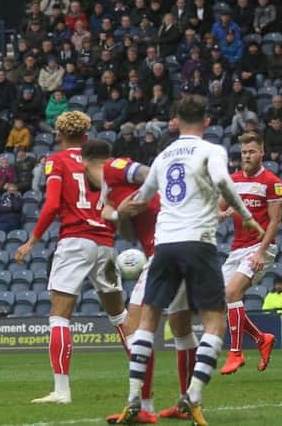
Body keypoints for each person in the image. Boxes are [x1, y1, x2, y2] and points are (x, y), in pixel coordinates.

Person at [116, 95, 264, 425]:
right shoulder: (212, 150)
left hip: (165, 244)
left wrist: (119, 210)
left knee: (147, 324)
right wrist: (245, 215)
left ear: (176, 120)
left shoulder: (164, 155)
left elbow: (141, 199)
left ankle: (132, 400)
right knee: (214, 324)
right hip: (198, 242)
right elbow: (224, 181)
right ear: (207, 121)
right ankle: (193, 398)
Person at [15, 111, 128, 404]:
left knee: (59, 317)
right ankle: (143, 381)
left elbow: (52, 204)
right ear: (87, 136)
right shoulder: (106, 163)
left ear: (59, 136)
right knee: (119, 315)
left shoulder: (56, 161)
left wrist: (32, 240)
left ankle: (61, 391)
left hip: (75, 241)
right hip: (105, 242)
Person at [80, 140, 196, 423]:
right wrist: (121, 213)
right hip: (182, 246)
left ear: (86, 163)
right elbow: (129, 231)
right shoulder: (108, 196)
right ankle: (188, 402)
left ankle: (145, 407)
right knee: (181, 328)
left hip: (165, 250)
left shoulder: (113, 167)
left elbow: (148, 173)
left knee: (133, 326)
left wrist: (140, 198)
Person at [218, 131, 282, 375]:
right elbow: (219, 208)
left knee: (233, 291)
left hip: (260, 247)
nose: (247, 155)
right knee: (223, 299)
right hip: (237, 248)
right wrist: (220, 214)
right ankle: (261, 338)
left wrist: (261, 253)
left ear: (262, 152)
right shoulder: (232, 180)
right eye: (244, 152)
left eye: (252, 151)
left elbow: (275, 222)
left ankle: (235, 352)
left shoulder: (272, 182)